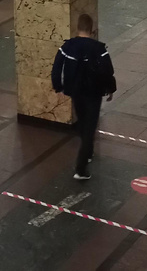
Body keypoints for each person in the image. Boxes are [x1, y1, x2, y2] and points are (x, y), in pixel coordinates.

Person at [50, 13, 116, 181]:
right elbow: (108, 70)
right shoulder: (99, 49)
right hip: (94, 93)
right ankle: (81, 167)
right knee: (90, 127)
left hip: (76, 91)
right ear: (92, 29)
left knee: (83, 121)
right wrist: (110, 89)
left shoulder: (68, 47)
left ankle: (88, 152)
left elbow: (57, 67)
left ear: (77, 28)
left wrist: (58, 87)